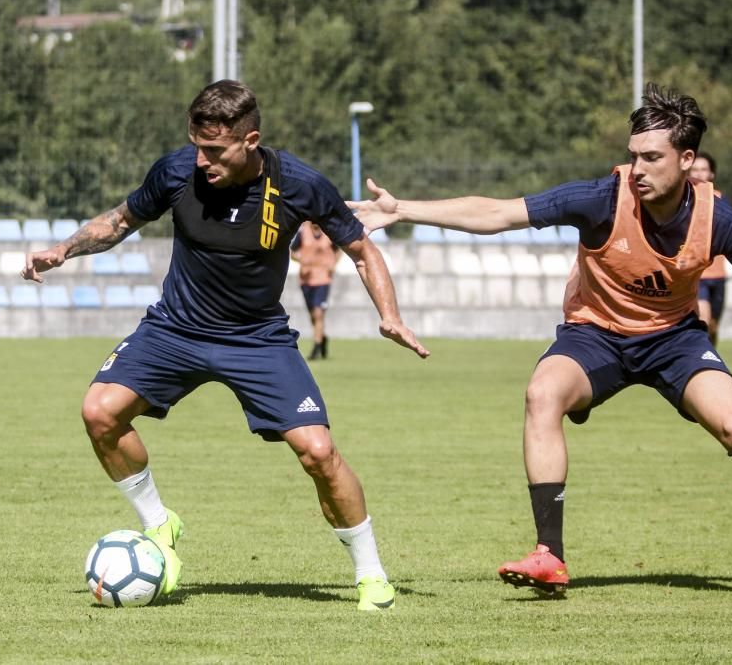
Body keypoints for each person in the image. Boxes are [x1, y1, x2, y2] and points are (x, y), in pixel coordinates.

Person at [349, 83, 732, 600]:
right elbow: (499, 214)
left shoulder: (720, 220)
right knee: (541, 395)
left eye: (652, 157)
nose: (638, 169)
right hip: (593, 335)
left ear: (687, 160)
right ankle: (549, 556)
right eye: (633, 156)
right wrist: (403, 211)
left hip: (674, 339)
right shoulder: (601, 199)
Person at [22, 79, 429, 611]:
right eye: (196, 144)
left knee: (320, 452)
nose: (201, 159)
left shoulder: (300, 184)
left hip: (256, 339)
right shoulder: (176, 171)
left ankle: (371, 575)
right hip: (176, 328)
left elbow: (361, 249)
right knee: (99, 412)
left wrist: (390, 316)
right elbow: (120, 220)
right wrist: (63, 250)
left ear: (250, 140)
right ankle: (159, 523)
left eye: (214, 150)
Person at [290, 220, 341, 360]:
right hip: (306, 279)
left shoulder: (328, 231)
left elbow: (338, 251)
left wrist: (333, 265)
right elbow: (293, 252)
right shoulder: (303, 231)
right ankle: (322, 338)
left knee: (318, 313)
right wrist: (301, 260)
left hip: (323, 279)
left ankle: (316, 348)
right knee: (313, 315)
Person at [690, 152, 725, 344]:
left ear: (711, 174)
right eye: (695, 169)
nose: (699, 174)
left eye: (704, 169)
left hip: (719, 275)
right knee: (703, 317)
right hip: (697, 275)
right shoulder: (680, 201)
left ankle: (711, 355)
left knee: (713, 324)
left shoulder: (720, 201)